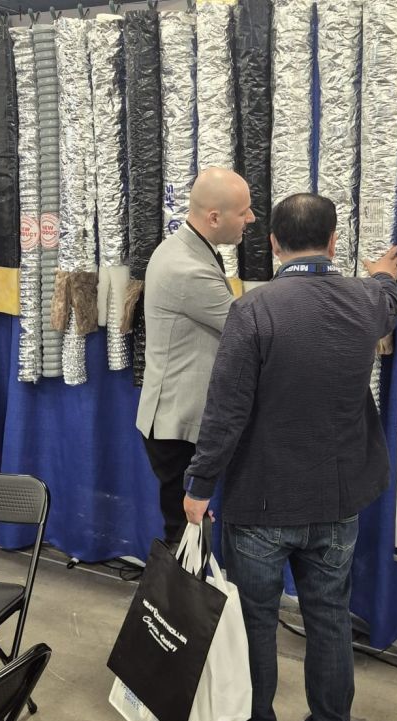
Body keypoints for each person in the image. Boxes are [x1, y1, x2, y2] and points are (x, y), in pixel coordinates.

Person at [183, 193, 397, 721]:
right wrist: (382, 275)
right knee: (329, 620)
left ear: (273, 244)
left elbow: (225, 412)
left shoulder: (253, 311)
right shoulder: (366, 302)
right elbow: (388, 301)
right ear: (333, 242)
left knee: (256, 625)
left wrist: (199, 486)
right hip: (336, 503)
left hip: (261, 503)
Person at [137, 167, 255, 552]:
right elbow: (248, 330)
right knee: (185, 542)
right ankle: (175, 594)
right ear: (214, 218)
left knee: (190, 537)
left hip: (174, 421)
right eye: (244, 211)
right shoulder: (187, 269)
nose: (251, 219)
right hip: (177, 427)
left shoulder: (184, 249)